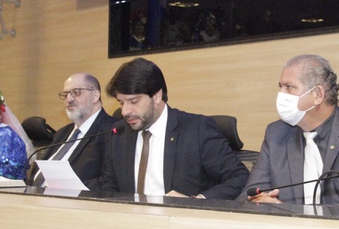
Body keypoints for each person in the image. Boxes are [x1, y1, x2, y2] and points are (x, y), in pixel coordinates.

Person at [240, 54, 339, 210]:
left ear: (317, 95)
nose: (281, 95)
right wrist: (261, 201)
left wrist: (288, 211)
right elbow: (249, 195)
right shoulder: (276, 133)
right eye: (280, 87)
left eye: (289, 87)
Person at [99, 57, 249, 199]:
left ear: (157, 96)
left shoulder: (197, 130)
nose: (125, 111)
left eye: (133, 101)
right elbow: (109, 186)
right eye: (121, 103)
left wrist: (197, 201)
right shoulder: (118, 133)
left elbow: (239, 177)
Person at [31, 73, 117, 188]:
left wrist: (68, 188)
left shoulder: (112, 131)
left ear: (95, 96)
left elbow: (110, 181)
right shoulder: (62, 133)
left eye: (76, 92)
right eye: (65, 94)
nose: (69, 99)